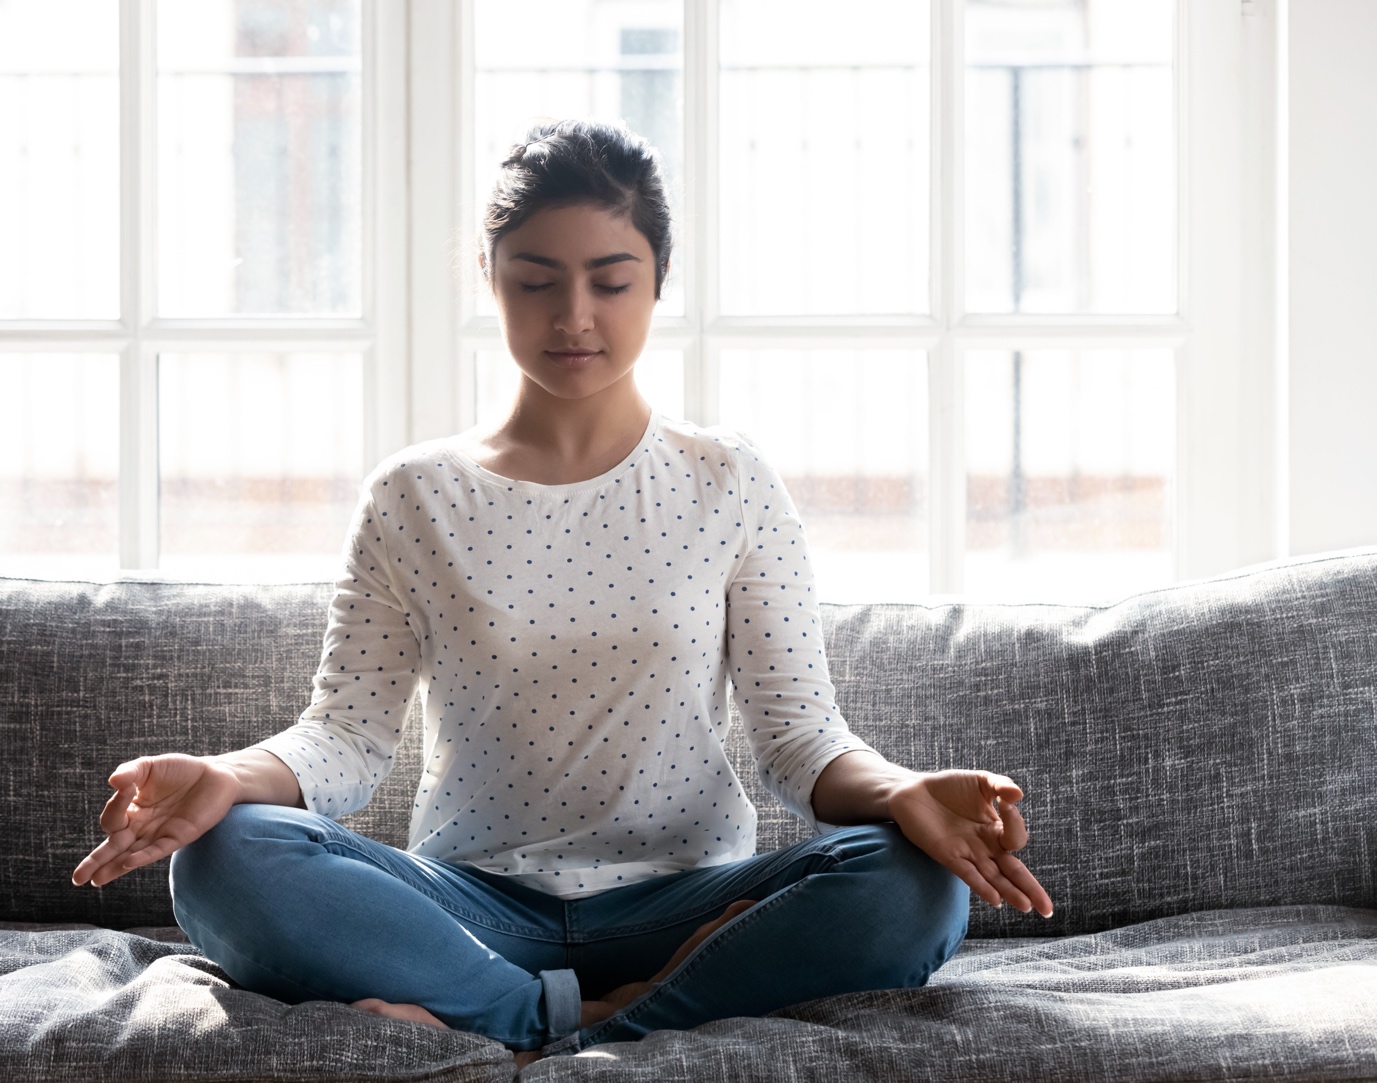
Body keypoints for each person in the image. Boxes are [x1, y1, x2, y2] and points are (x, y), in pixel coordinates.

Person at [71, 118, 1052, 1068]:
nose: (574, 317)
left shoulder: (729, 481)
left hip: (692, 903)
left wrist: (902, 794)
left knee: (912, 881)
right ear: (491, 282)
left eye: (610, 281)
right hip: (468, 904)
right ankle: (592, 1017)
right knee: (226, 856)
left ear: (658, 282)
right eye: (536, 281)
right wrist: (229, 776)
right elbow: (347, 738)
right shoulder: (416, 494)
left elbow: (801, 739)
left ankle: (522, 1023)